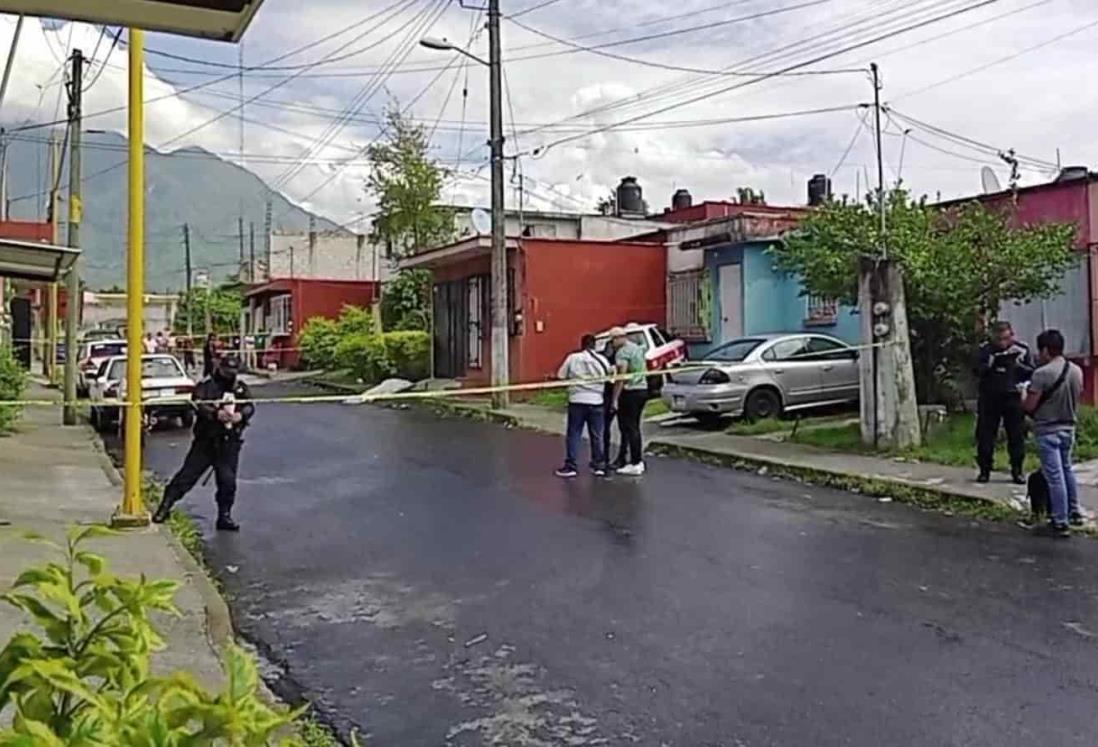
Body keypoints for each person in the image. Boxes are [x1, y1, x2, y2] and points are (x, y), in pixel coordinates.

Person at [153, 355, 254, 531]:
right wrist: (215, 414)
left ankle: (224, 516)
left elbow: (249, 405)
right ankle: (164, 507)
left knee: (227, 482)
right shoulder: (206, 386)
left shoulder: (239, 388)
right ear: (220, 368)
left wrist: (241, 415)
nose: (230, 375)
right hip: (206, 441)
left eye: (233, 371)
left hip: (229, 442)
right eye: (227, 371)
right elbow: (198, 403)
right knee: (186, 477)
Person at [1023, 329, 1084, 537]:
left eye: (1040, 351)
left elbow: (1030, 406)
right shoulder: (1076, 370)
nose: (1039, 355)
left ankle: (1060, 520)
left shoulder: (1041, 374)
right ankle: (1074, 511)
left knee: (1054, 476)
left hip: (1047, 429)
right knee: (1067, 470)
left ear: (1046, 350)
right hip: (1069, 427)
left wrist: (1024, 394)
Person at [973, 321, 1035, 484]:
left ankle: (1017, 470)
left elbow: (1031, 373)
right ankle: (985, 469)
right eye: (998, 339)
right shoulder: (985, 350)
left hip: (1013, 397)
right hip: (990, 398)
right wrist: (992, 363)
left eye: (1006, 338)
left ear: (1012, 336)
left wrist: (1017, 367)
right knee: (985, 435)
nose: (1002, 343)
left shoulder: (1022, 350)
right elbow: (977, 371)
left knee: (1016, 435)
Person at [555, 334, 612, 478]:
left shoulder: (573, 358)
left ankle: (571, 466)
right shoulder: (602, 360)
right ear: (594, 345)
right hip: (596, 401)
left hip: (577, 400)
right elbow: (610, 378)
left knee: (574, 434)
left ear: (582, 344)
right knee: (597, 435)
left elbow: (561, 375)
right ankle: (598, 465)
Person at [609, 326, 649, 476]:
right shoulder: (636, 348)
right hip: (642, 389)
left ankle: (635, 462)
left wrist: (615, 399)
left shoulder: (623, 352)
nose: (611, 343)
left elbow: (621, 377)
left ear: (618, 338)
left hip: (630, 391)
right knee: (634, 426)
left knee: (629, 427)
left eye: (612, 339)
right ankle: (633, 459)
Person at [601, 338, 627, 469]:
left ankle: (604, 457)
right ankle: (621, 457)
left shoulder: (606, 361)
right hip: (621, 395)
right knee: (623, 429)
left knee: (606, 428)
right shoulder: (621, 359)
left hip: (610, 396)